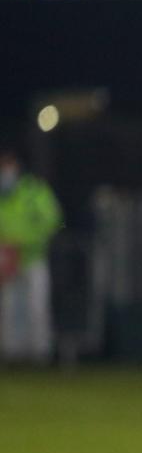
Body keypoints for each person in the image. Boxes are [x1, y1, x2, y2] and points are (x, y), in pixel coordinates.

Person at [0, 147, 62, 364]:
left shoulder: (34, 190)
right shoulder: (2, 196)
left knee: (37, 306)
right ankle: (12, 355)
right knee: (9, 309)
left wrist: (22, 243)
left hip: (33, 258)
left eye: (8, 165)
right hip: (6, 261)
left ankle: (39, 355)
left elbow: (51, 220)